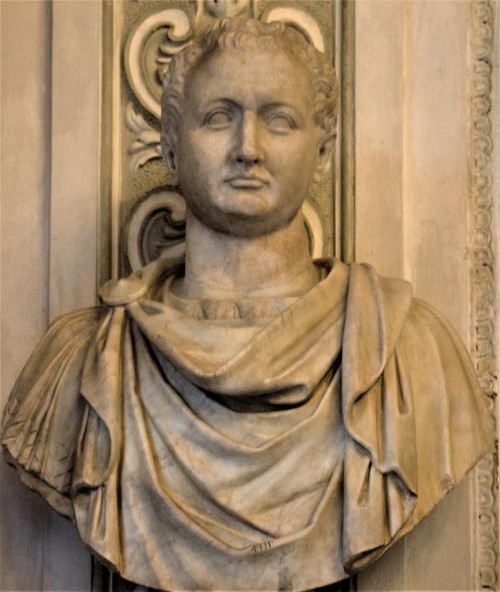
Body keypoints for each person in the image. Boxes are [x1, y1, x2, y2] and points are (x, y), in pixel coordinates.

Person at [2, 18, 493, 592]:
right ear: (169, 144)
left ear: (324, 150)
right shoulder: (82, 364)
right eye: (218, 118)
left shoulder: (412, 356)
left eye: (279, 120)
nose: (248, 150)